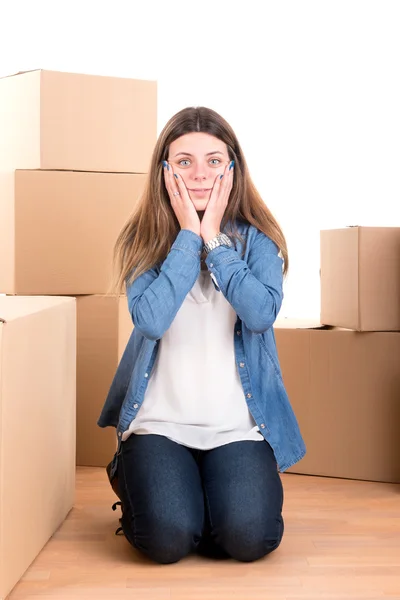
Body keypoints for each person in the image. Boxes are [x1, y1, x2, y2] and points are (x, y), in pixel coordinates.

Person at [98, 106, 305, 565]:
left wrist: (214, 240)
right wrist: (188, 237)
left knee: (250, 539)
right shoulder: (144, 239)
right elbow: (150, 320)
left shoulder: (258, 241)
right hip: (158, 426)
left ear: (232, 167)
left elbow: (260, 313)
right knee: (167, 541)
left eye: (213, 160)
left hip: (238, 430)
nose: (199, 173)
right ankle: (154, 486)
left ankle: (201, 497)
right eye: (184, 161)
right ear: (165, 170)